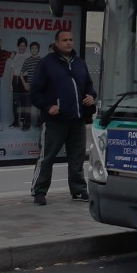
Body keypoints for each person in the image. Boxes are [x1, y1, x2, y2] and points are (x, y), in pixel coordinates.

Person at [28, 30, 96, 205]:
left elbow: (89, 85)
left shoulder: (80, 63)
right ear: (56, 43)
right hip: (54, 121)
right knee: (47, 157)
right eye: (64, 40)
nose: (68, 43)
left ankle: (79, 190)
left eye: (71, 39)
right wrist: (48, 106)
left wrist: (91, 96)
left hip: (77, 119)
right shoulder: (46, 64)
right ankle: (39, 191)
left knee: (77, 157)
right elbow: (35, 91)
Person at [17, 41, 43, 129]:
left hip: (39, 87)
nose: (34, 49)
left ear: (38, 50)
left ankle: (40, 124)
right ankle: (27, 124)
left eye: (35, 48)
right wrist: (24, 84)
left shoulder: (41, 60)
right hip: (29, 87)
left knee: (40, 106)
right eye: (32, 48)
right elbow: (21, 73)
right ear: (30, 49)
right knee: (27, 106)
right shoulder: (27, 60)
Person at [9, 37, 29, 128]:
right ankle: (16, 122)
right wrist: (10, 84)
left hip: (25, 79)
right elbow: (12, 70)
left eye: (24, 45)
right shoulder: (15, 56)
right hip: (16, 80)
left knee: (25, 103)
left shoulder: (28, 56)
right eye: (21, 45)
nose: (22, 47)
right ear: (18, 46)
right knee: (16, 103)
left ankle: (25, 122)